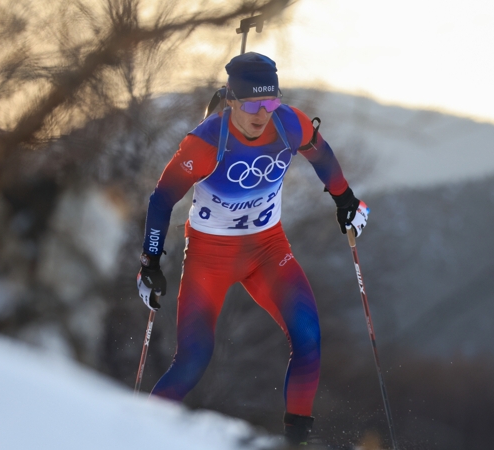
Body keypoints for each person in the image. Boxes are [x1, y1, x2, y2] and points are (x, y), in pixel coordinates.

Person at [137, 52, 369, 446]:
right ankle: (137, 433)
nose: (262, 113)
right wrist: (150, 263)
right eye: (252, 104)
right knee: (194, 358)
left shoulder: (288, 123)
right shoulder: (206, 142)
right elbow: (162, 199)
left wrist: (345, 199)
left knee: (309, 338)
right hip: (210, 257)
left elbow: (320, 154)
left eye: (271, 101)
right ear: (231, 101)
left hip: (266, 250)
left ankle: (296, 441)